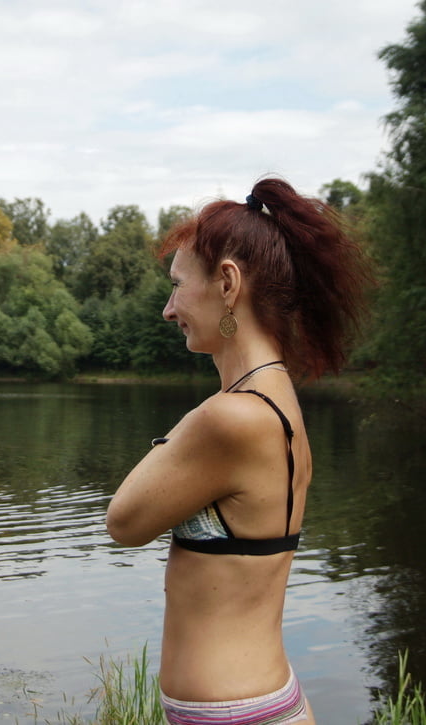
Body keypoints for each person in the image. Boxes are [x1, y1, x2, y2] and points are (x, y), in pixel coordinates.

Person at [106, 176, 371, 725]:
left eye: (178, 285)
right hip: (258, 703)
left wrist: (192, 421)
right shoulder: (275, 404)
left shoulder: (229, 418)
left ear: (228, 283)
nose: (167, 308)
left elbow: (124, 522)